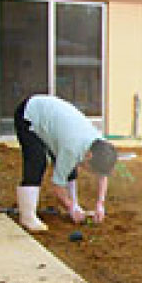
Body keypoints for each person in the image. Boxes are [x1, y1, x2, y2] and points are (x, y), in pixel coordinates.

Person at [14, 94, 118, 231]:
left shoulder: (99, 144)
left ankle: (74, 205)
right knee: (37, 162)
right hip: (29, 114)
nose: (89, 171)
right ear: (89, 156)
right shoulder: (72, 148)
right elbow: (57, 186)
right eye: (90, 169)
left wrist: (100, 204)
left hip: (53, 121)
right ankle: (27, 217)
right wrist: (70, 207)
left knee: (69, 165)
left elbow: (102, 175)